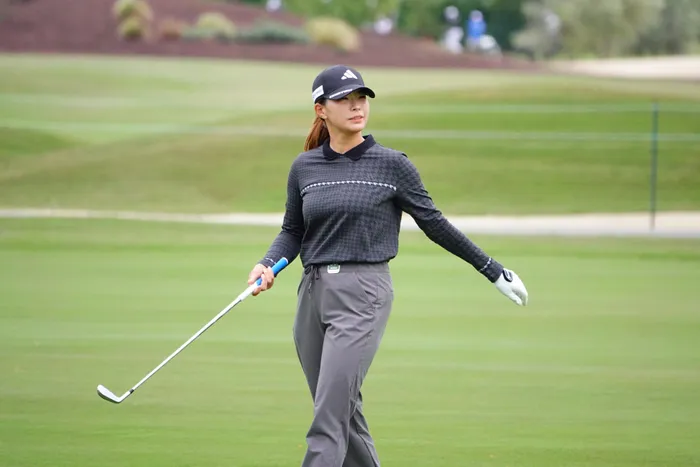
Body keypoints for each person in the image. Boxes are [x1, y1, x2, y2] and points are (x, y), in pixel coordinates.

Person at [246, 64, 529, 467]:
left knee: (328, 418)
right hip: (312, 294)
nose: (356, 106)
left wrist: (492, 269)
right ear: (321, 109)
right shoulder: (304, 167)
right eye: (344, 99)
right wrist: (267, 264)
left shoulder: (392, 165)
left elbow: (434, 223)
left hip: (363, 294)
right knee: (342, 412)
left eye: (361, 98)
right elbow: (293, 231)